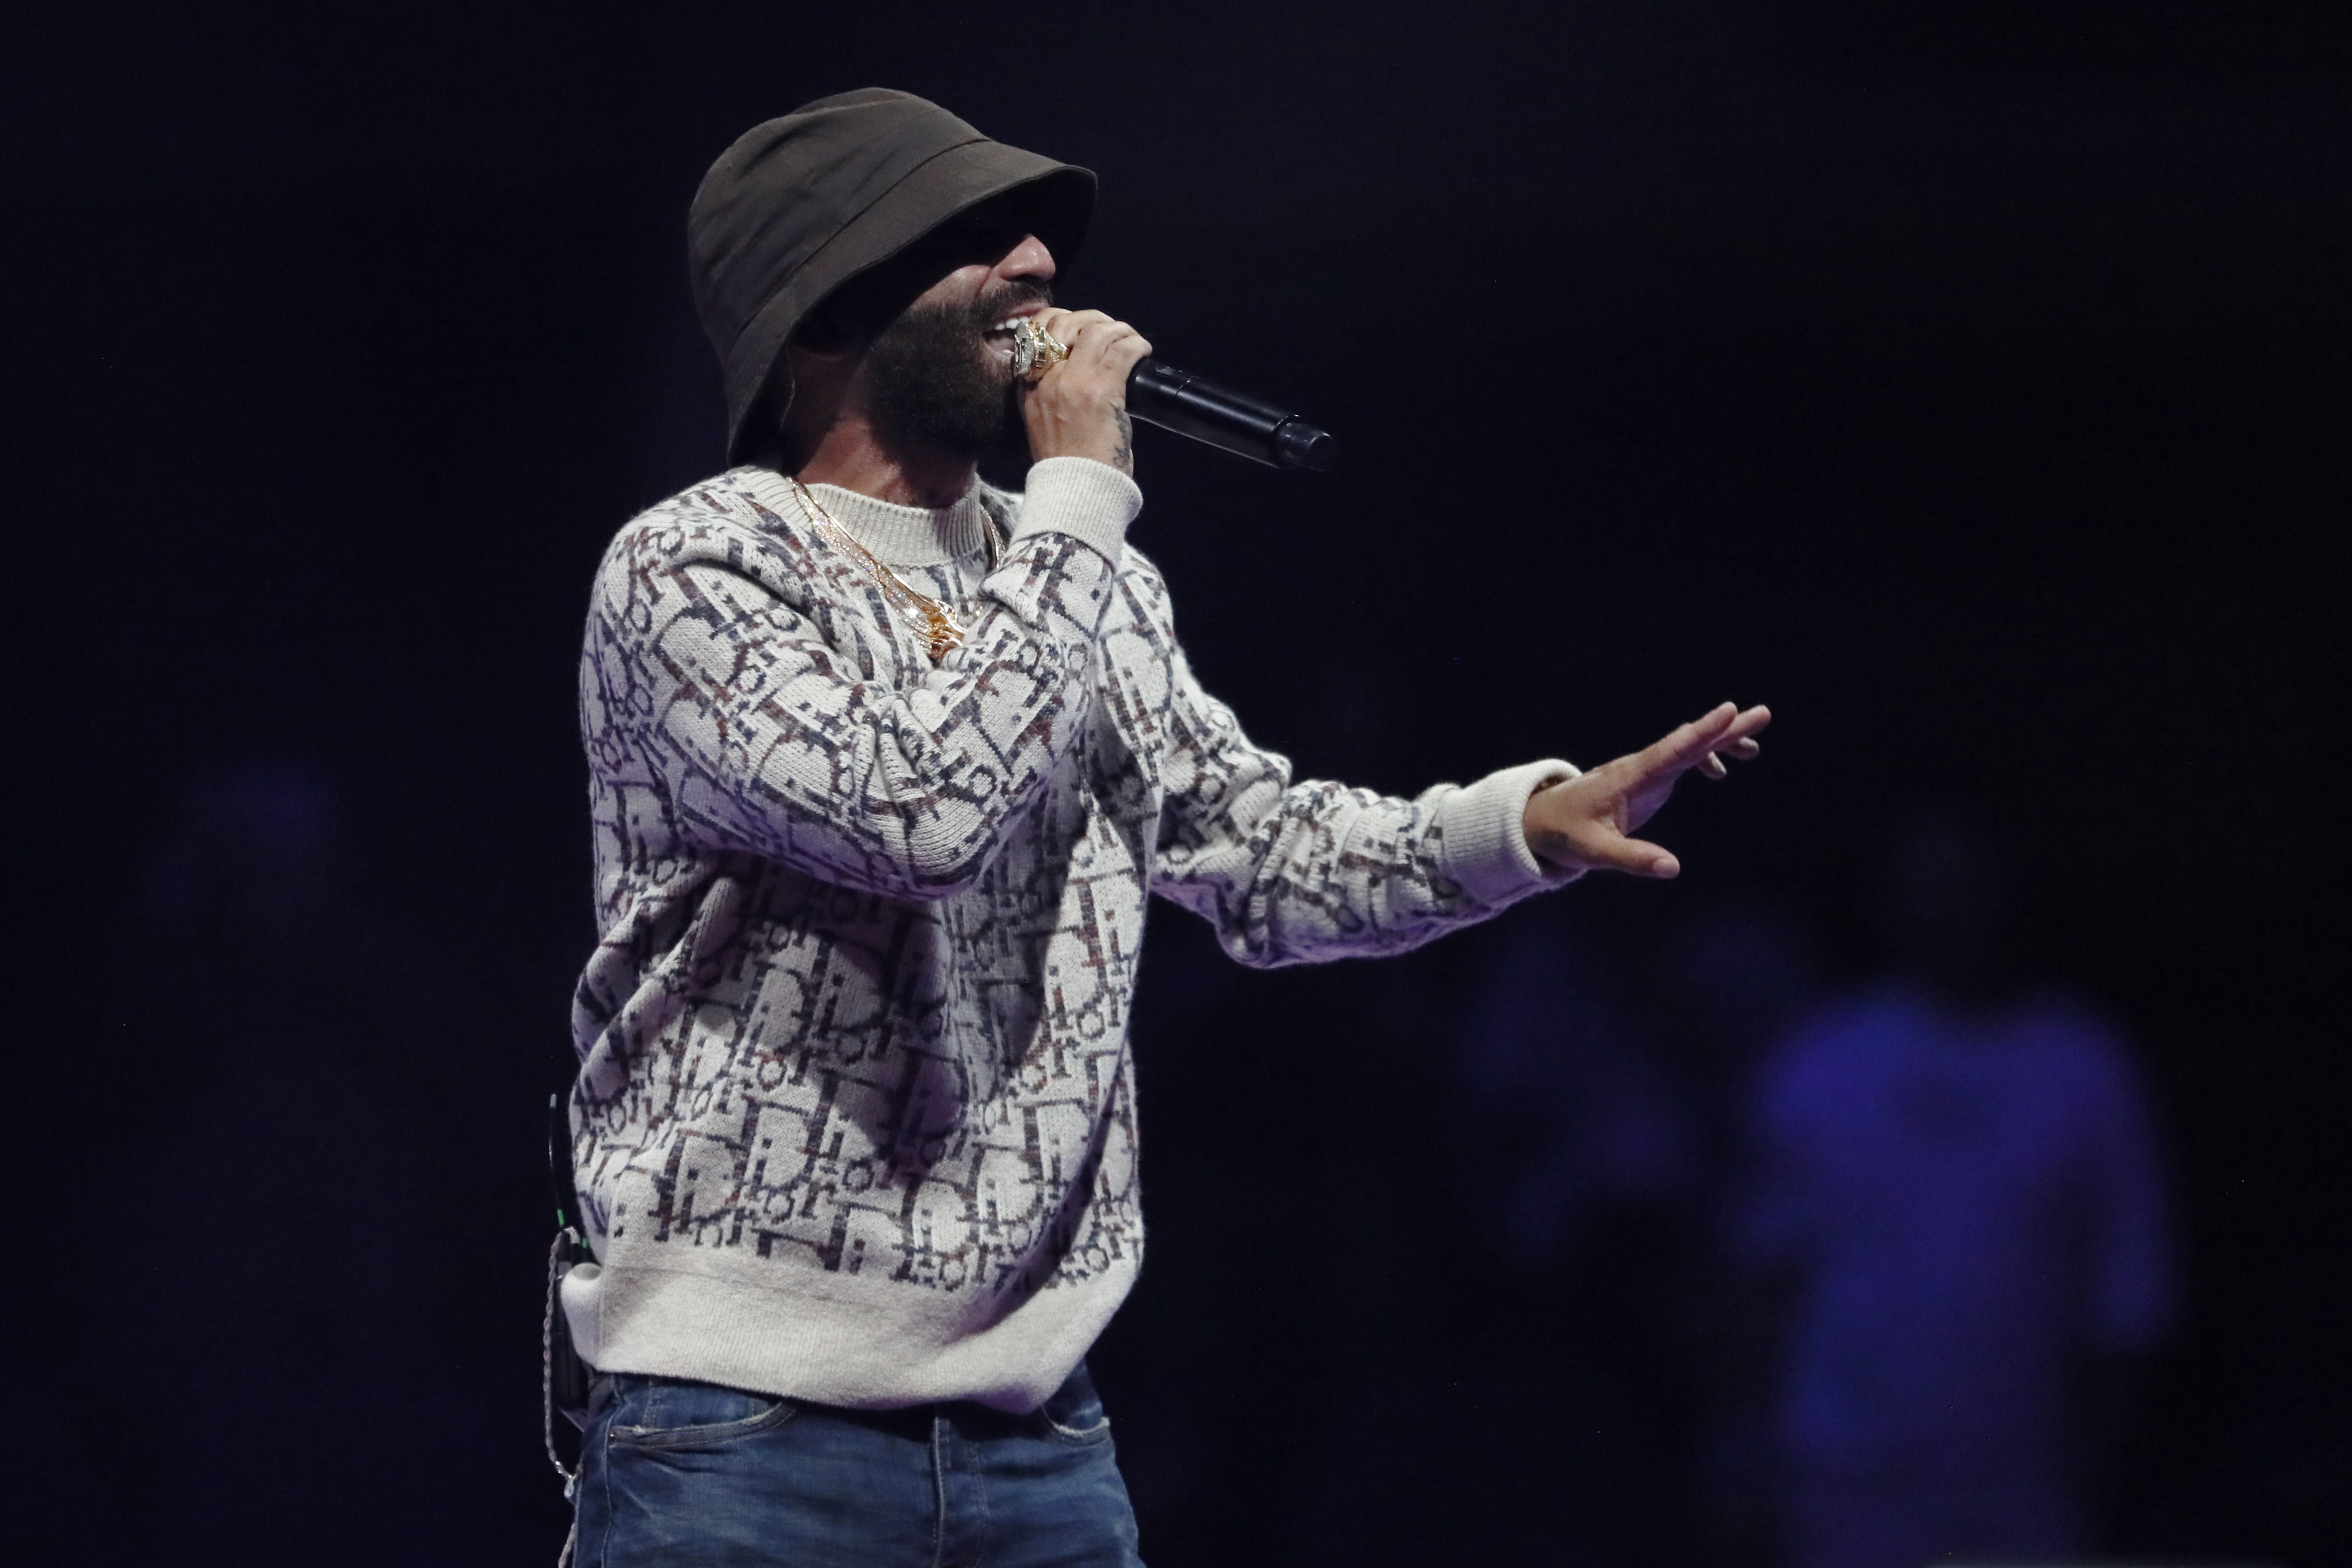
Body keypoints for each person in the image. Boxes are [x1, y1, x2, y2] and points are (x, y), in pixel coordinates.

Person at [559, 88, 1771, 1567]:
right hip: (742, 1428)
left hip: (1037, 1431)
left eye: (1035, 238)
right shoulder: (695, 566)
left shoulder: (1083, 578)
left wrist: (1513, 827)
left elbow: (1259, 857)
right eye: (971, 238)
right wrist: (1081, 494)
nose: (1037, 267)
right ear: (826, 301)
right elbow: (916, 813)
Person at [1740, 807, 2172, 1568]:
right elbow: (1766, 1272)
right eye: (1927, 887)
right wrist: (1742, 1455)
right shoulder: (1826, 1058)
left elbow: (2127, 1293)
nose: (1948, 909)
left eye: (1968, 885)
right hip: (1843, 1473)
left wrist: (2103, 1477)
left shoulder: (2083, 1065)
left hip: (2022, 1489)